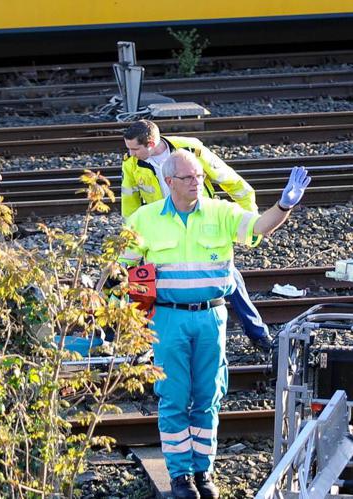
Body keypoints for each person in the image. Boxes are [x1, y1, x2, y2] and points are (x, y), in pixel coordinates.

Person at [119, 150, 310, 499]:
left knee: (208, 397)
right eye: (189, 178)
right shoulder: (145, 219)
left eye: (199, 177)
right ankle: (180, 476)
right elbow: (126, 269)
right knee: (174, 397)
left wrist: (283, 206)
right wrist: (130, 317)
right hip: (168, 317)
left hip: (211, 316)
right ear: (169, 181)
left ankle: (203, 472)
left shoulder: (220, 212)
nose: (197, 182)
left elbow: (257, 227)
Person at [121, 119, 273, 352]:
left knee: (229, 279)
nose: (130, 154)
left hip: (202, 222)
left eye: (134, 149)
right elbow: (129, 205)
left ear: (151, 143)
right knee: (147, 286)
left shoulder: (191, 150)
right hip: (160, 231)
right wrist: (132, 238)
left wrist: (247, 220)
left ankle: (259, 335)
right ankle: (146, 345)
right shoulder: (132, 165)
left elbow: (232, 182)